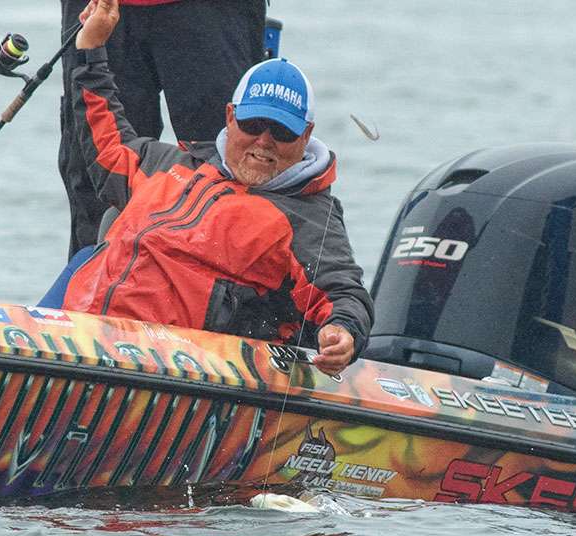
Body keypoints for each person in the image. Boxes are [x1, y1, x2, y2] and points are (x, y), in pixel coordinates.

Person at [63, 0, 373, 376]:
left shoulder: (306, 215)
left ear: (306, 136)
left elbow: (342, 291)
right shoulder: (171, 164)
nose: (263, 141)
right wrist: (90, 52)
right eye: (253, 124)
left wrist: (343, 331)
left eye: (281, 131)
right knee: (86, 253)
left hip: (177, 366)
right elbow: (105, 138)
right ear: (230, 117)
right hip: (83, 337)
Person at [58, 0, 266, 259]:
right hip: (101, 7)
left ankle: (233, 295)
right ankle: (90, 290)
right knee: (94, 183)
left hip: (216, 11)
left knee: (234, 175)